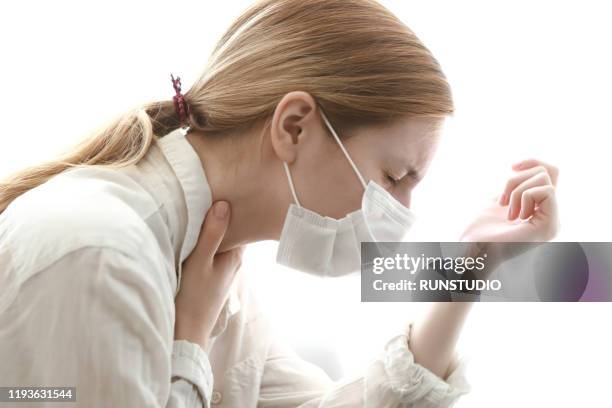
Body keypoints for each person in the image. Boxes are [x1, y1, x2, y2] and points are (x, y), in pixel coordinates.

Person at [0, 0, 560, 406]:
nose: (402, 213)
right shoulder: (102, 253)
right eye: (393, 176)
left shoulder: (216, 267)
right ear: (294, 127)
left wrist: (471, 264)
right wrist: (190, 339)